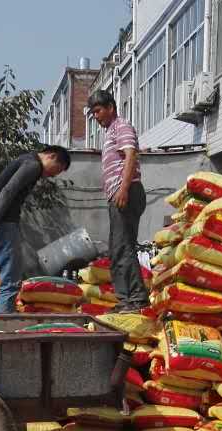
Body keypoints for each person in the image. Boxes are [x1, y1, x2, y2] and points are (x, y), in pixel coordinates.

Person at [0, 146, 72, 313]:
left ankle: (4, 322)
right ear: (52, 156)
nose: (54, 175)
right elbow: (8, 190)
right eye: (58, 169)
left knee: (11, 277)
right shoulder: (33, 165)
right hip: (3, 222)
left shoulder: (26, 160)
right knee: (10, 280)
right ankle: (3, 329)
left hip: (3, 221)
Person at [87, 90, 150, 312]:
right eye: (93, 113)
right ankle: (125, 300)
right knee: (116, 249)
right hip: (118, 195)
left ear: (111, 107)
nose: (96, 116)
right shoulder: (110, 132)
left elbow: (131, 155)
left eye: (98, 111)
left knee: (123, 247)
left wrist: (123, 189)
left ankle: (136, 299)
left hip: (127, 192)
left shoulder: (121, 126)